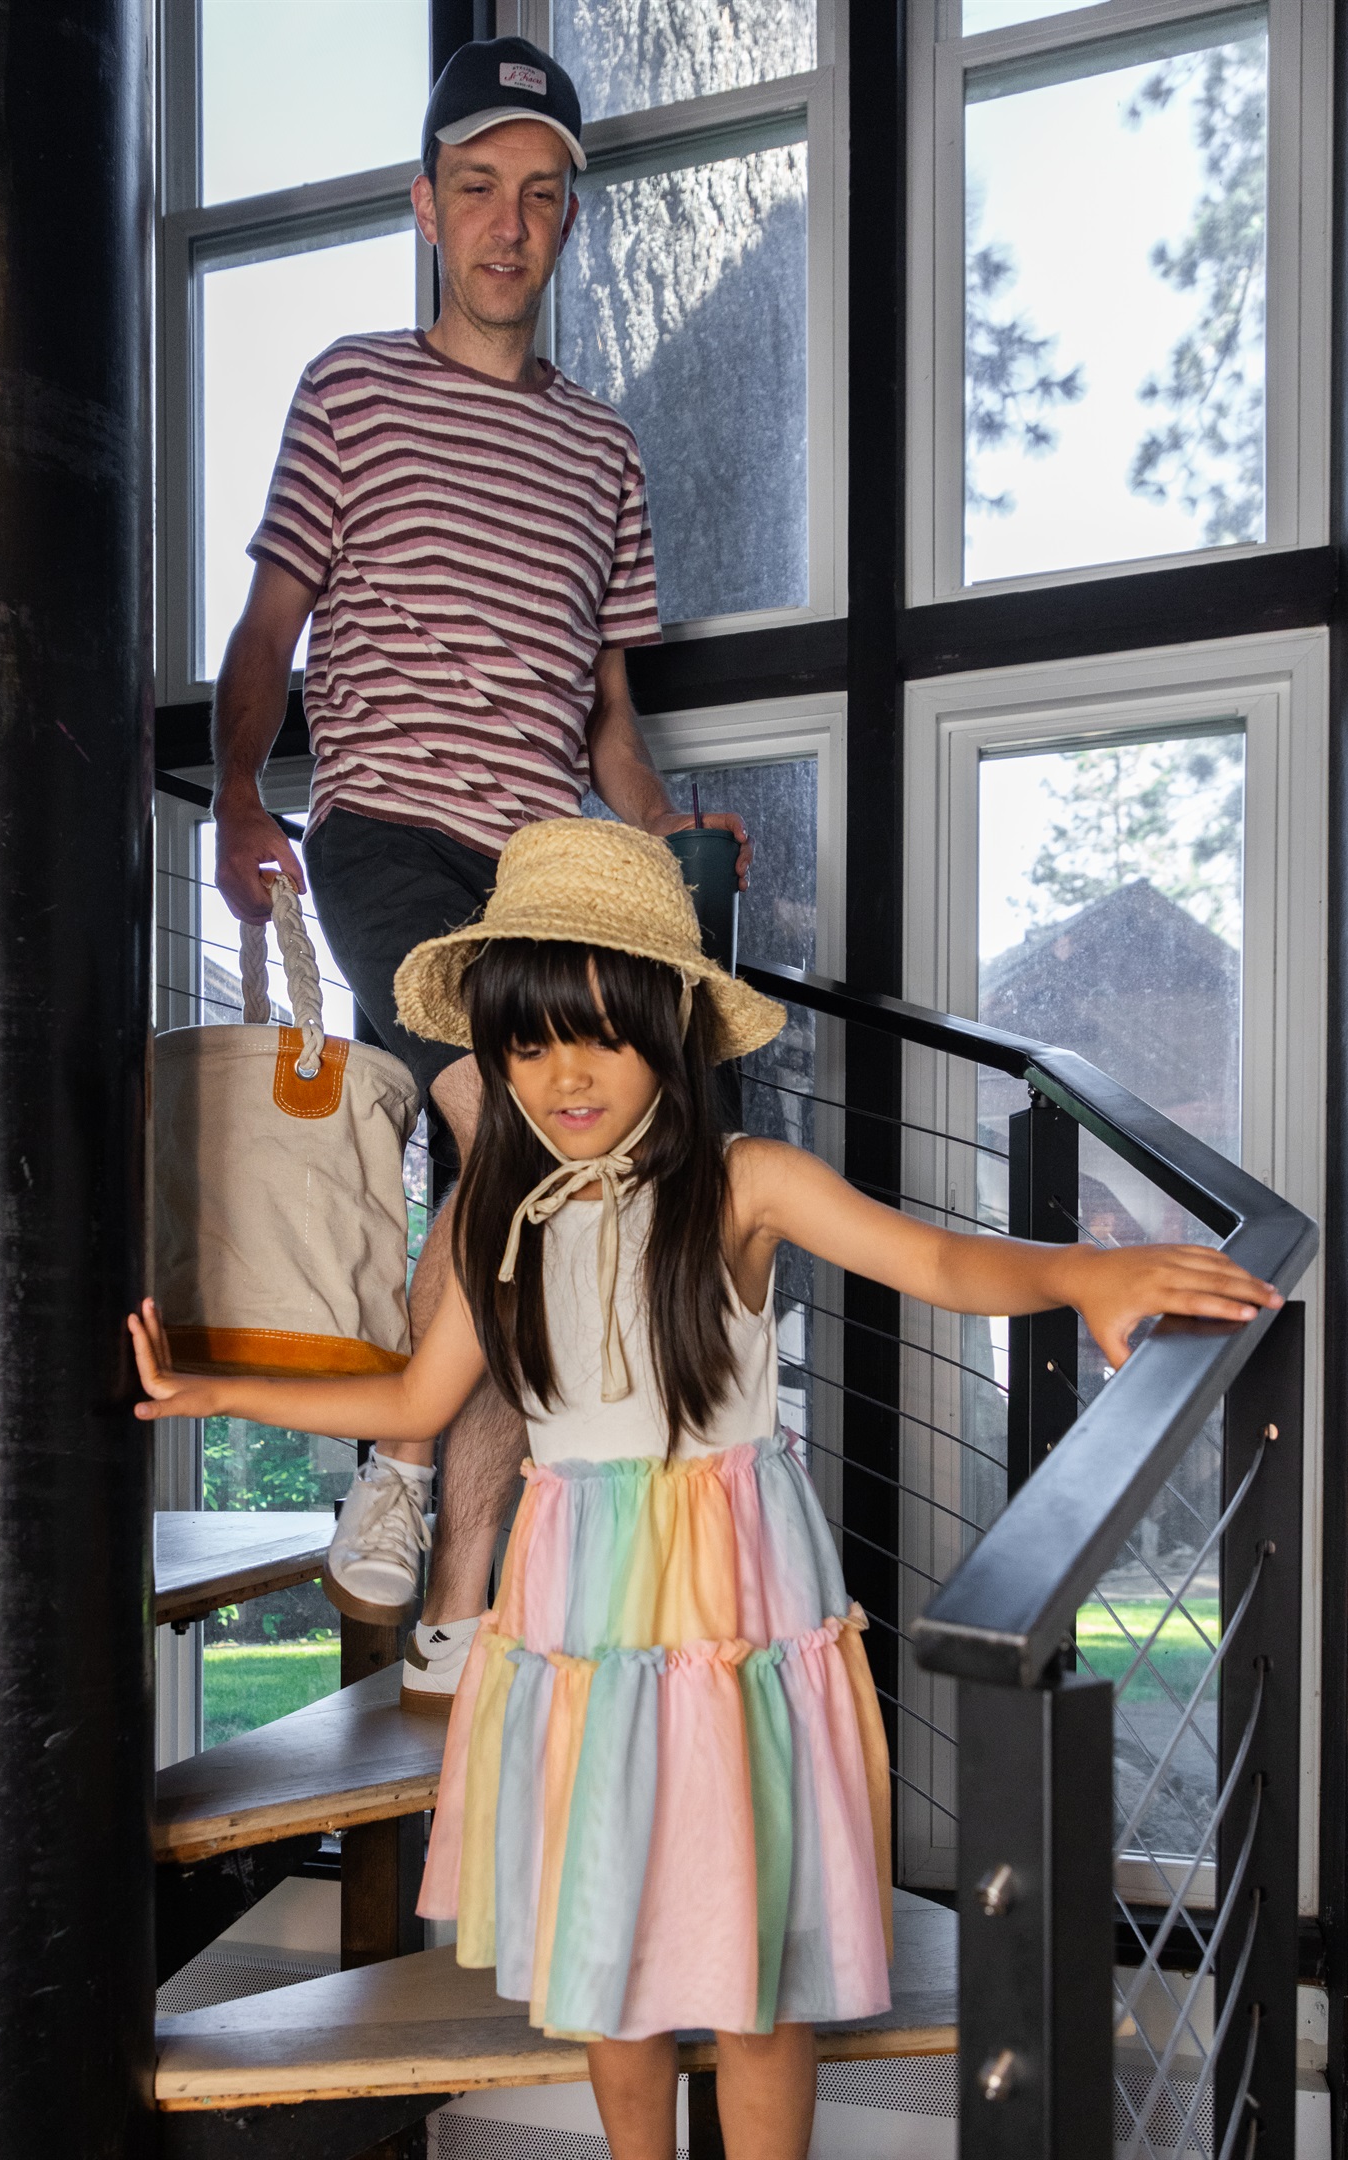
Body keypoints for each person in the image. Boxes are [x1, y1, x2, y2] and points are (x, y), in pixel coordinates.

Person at [131, 821, 1281, 2160]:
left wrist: (1082, 1272)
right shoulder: (499, 1214)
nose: (562, 1074)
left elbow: (942, 1266)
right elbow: (409, 1404)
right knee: (606, 1976)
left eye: (601, 1034)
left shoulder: (746, 1184)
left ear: (673, 1028)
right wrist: (223, 1391)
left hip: (728, 1605)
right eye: (526, 1042)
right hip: (577, 1625)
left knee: (751, 1981)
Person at [206, 34, 750, 1707]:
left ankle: (452, 1605)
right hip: (381, 831)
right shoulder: (349, 389)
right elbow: (269, 628)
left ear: (567, 221)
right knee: (507, 1136)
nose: (510, 224)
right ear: (427, 207)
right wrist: (235, 795)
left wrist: (658, 856)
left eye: (541, 196)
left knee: (548, 1181)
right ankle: (393, 1460)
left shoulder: (605, 453)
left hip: (540, 873)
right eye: (478, 190)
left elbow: (608, 717)